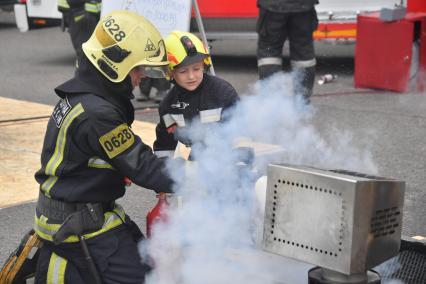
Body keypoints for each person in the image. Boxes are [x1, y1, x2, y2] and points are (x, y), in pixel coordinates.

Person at [33, 10, 174, 284]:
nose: (142, 76)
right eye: (137, 67)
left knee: (143, 255)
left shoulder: (86, 96)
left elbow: (89, 155)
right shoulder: (97, 113)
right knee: (142, 278)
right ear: (115, 65)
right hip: (78, 222)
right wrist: (203, 175)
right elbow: (144, 166)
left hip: (76, 208)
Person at [153, 31, 239, 159]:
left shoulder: (223, 93)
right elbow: (165, 145)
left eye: (197, 69)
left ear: (204, 65)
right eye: (183, 71)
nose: (191, 76)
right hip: (199, 158)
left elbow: (241, 134)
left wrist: (242, 163)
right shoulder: (169, 107)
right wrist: (162, 173)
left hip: (229, 157)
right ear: (170, 72)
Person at [256, 0, 319, 102]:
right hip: (303, 6)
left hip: (272, 6)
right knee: (303, 53)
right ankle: (301, 100)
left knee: (269, 52)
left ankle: (271, 100)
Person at [57, 0, 102, 64]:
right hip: (80, 11)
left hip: (86, 11)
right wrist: (78, 11)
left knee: (89, 52)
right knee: (84, 54)